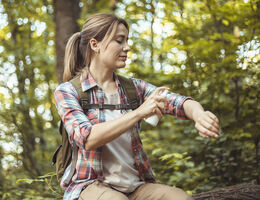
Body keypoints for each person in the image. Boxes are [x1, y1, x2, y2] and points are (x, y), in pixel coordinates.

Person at [54, 13, 220, 200]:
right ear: (95, 45)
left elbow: (179, 102)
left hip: (135, 186)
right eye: (119, 40)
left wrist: (199, 114)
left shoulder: (133, 88)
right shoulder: (68, 91)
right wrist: (139, 112)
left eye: (127, 40)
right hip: (91, 185)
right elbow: (87, 138)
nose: (127, 47)